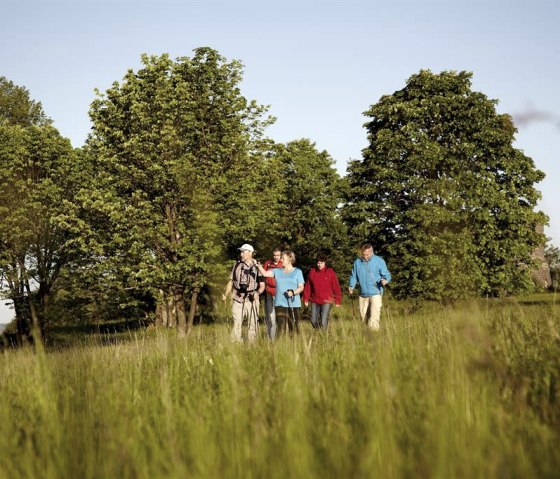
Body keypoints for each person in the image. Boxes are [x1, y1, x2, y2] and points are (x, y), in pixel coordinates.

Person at [223, 243, 265, 343]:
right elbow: (231, 281)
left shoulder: (257, 266)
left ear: (250, 253)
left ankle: (252, 346)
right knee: (236, 323)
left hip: (251, 299)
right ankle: (235, 345)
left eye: (243, 252)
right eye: (241, 252)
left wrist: (257, 293)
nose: (241, 254)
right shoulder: (237, 264)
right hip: (237, 298)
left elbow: (262, 285)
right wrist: (225, 294)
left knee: (252, 324)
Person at [257, 250, 304, 337]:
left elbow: (301, 287)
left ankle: (295, 346)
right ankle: (281, 347)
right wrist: (259, 266)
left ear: (290, 259)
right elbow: (265, 273)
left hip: (293, 303)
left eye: (283, 258)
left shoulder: (297, 272)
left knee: (293, 327)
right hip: (279, 303)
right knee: (281, 328)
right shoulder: (277, 271)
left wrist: (293, 292)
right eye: (281, 258)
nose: (281, 260)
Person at [348, 242, 391, 331]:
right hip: (362, 294)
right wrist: (351, 286)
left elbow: (387, 275)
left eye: (367, 254)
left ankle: (374, 337)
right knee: (364, 318)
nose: (365, 256)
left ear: (372, 252)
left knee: (374, 318)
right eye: (363, 254)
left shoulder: (379, 261)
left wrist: (385, 280)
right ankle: (366, 336)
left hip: (375, 293)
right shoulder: (357, 262)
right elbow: (354, 276)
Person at [303, 254, 342, 329]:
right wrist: (306, 298)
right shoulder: (313, 272)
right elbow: (308, 286)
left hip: (327, 300)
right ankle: (318, 332)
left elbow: (336, 287)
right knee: (313, 320)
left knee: (323, 321)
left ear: (325, 263)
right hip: (315, 300)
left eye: (321, 263)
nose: (319, 265)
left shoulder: (330, 272)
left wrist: (337, 300)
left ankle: (323, 336)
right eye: (318, 263)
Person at [262, 247, 283, 340]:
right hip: (269, 293)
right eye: (274, 255)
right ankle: (271, 339)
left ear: (281, 255)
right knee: (270, 317)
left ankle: (282, 337)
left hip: (280, 294)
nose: (276, 257)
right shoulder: (268, 263)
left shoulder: (283, 264)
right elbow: (263, 275)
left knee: (281, 318)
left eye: (278, 255)